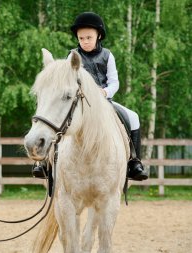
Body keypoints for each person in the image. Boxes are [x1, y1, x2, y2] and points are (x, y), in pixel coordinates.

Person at [32, 12, 148, 181]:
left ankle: (134, 161)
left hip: (103, 102)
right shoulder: (72, 57)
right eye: (81, 38)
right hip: (78, 103)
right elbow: (66, 82)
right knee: (59, 120)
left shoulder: (107, 56)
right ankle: (46, 163)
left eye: (89, 37)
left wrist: (105, 92)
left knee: (133, 117)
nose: (85, 41)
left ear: (98, 36)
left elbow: (115, 82)